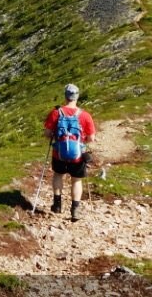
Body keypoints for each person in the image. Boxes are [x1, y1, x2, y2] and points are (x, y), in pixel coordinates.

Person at [43, 83, 96, 221]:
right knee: (76, 180)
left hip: (59, 153)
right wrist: (81, 142)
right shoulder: (85, 115)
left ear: (65, 96)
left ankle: (57, 205)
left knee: (58, 175)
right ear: (77, 97)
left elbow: (47, 133)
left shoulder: (56, 113)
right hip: (77, 155)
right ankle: (75, 210)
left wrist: (57, 136)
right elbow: (91, 138)